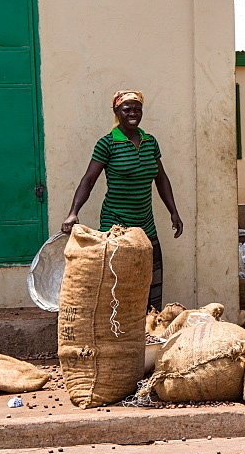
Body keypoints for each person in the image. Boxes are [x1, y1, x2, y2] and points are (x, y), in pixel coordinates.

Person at [61, 90, 182, 312]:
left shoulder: (150, 142)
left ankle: (147, 327)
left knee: (149, 280)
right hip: (115, 224)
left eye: (137, 109)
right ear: (117, 112)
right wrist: (73, 212)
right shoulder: (107, 144)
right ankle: (116, 330)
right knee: (118, 282)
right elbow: (88, 180)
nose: (133, 113)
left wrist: (173, 212)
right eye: (127, 109)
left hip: (145, 224)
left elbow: (161, 178)